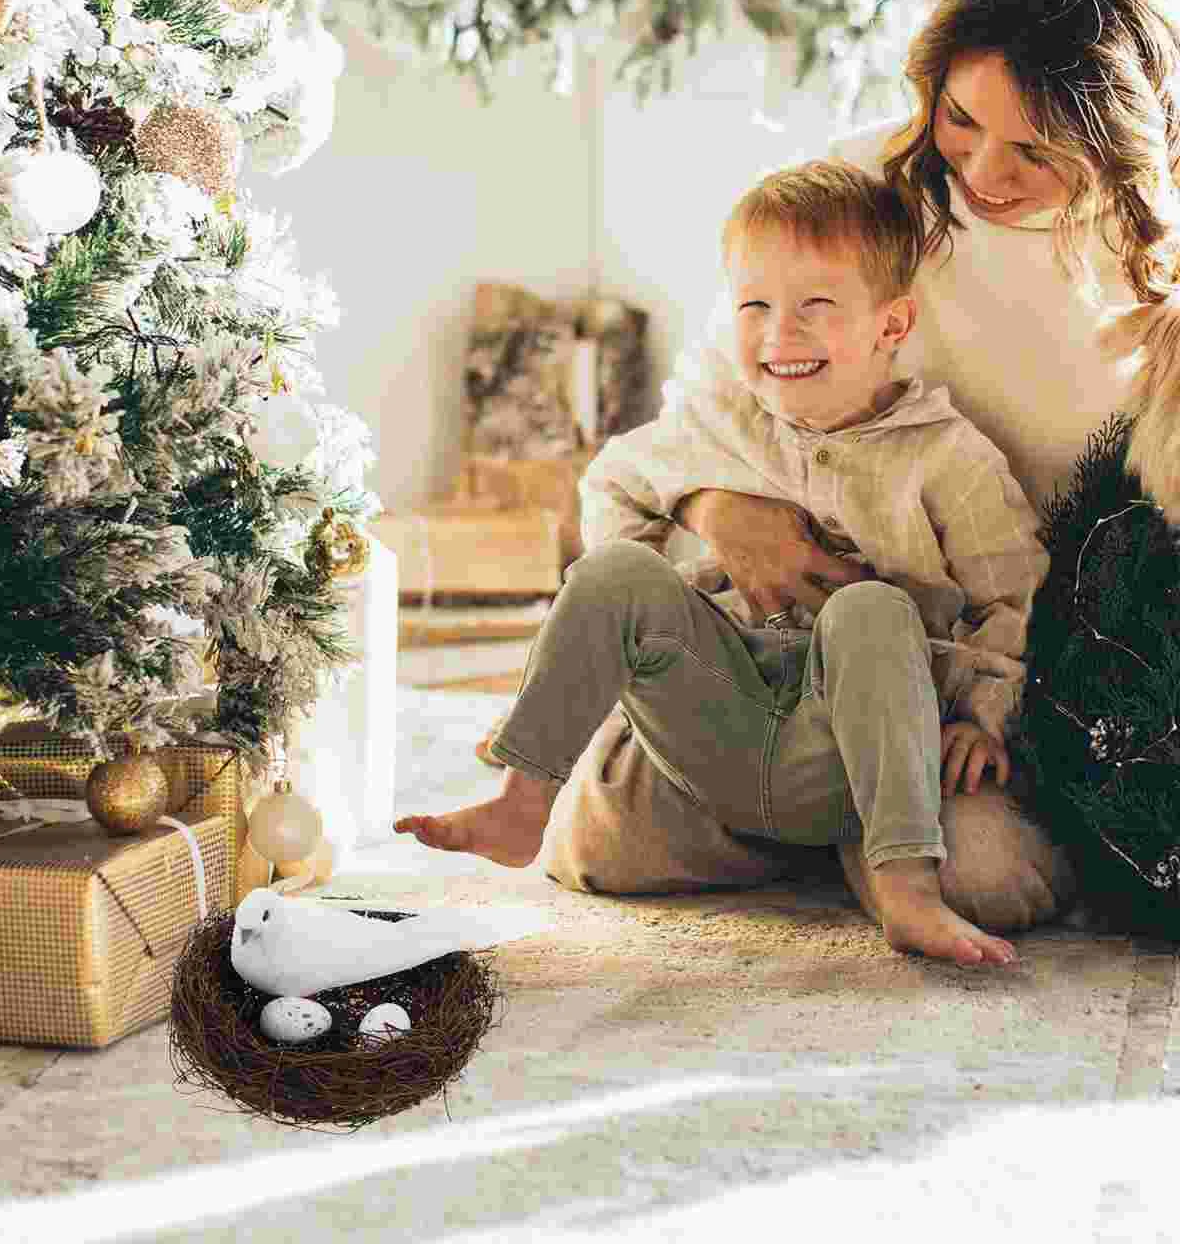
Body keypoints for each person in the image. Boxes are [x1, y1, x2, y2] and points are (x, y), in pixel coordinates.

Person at [469, 0, 1180, 936]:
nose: (984, 168)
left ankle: (854, 825)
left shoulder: (1148, 254)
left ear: (1115, 139)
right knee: (598, 850)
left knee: (988, 877)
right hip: (789, 633)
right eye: (961, 118)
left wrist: (988, 716)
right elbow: (713, 392)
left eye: (1034, 148)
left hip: (973, 650)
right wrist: (718, 508)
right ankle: (800, 802)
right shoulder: (863, 187)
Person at [398, 157, 1046, 966]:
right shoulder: (717, 425)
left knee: (873, 612)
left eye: (816, 307)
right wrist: (690, 510)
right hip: (725, 710)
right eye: (755, 307)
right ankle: (521, 799)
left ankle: (904, 885)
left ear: (892, 326)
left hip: (857, 743)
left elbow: (1015, 596)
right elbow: (611, 488)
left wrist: (985, 717)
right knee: (612, 578)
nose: (781, 335)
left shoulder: (947, 458)